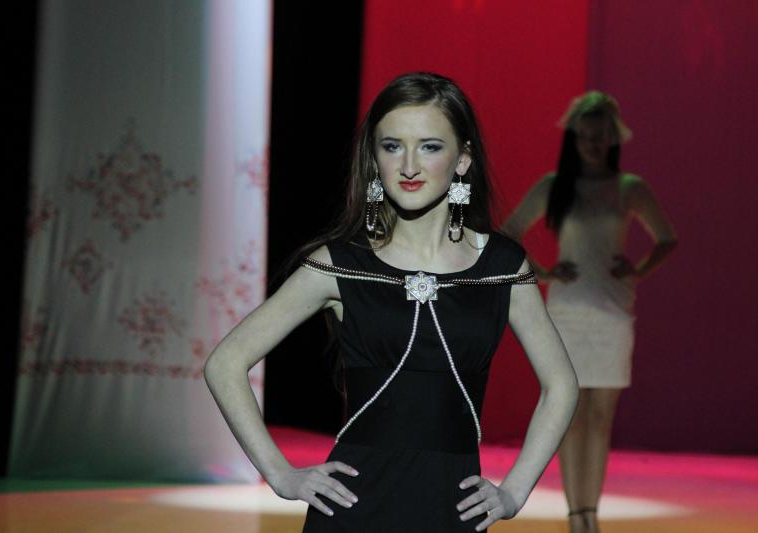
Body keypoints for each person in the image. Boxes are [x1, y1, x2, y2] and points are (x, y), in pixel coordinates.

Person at [205, 72, 578, 532]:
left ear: (463, 159)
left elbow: (561, 384)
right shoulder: (341, 264)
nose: (409, 166)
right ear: (374, 157)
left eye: (429, 147)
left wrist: (515, 491)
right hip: (351, 509)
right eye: (392, 146)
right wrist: (281, 475)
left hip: (452, 510)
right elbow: (225, 363)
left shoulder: (501, 266)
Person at [502, 91, 678, 533]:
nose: (593, 143)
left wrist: (638, 270)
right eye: (586, 135)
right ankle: (575, 515)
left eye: (600, 135)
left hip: (612, 314)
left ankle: (590, 516)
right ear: (574, 137)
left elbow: (666, 238)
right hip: (567, 313)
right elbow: (509, 232)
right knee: (570, 414)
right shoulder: (554, 186)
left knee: (600, 420)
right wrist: (543, 272)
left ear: (613, 137)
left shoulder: (629, 188)